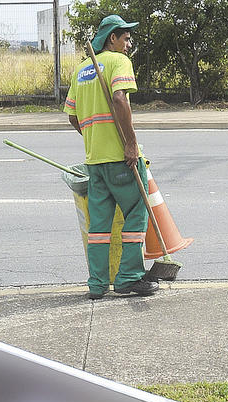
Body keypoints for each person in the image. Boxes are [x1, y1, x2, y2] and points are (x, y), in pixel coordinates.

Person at [64, 15, 159, 299]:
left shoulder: (81, 70)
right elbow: (119, 99)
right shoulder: (119, 62)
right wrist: (130, 145)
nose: (129, 44)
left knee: (99, 225)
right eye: (126, 38)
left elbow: (72, 115)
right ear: (112, 39)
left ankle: (96, 284)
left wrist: (94, 138)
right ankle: (128, 278)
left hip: (95, 162)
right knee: (136, 213)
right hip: (122, 159)